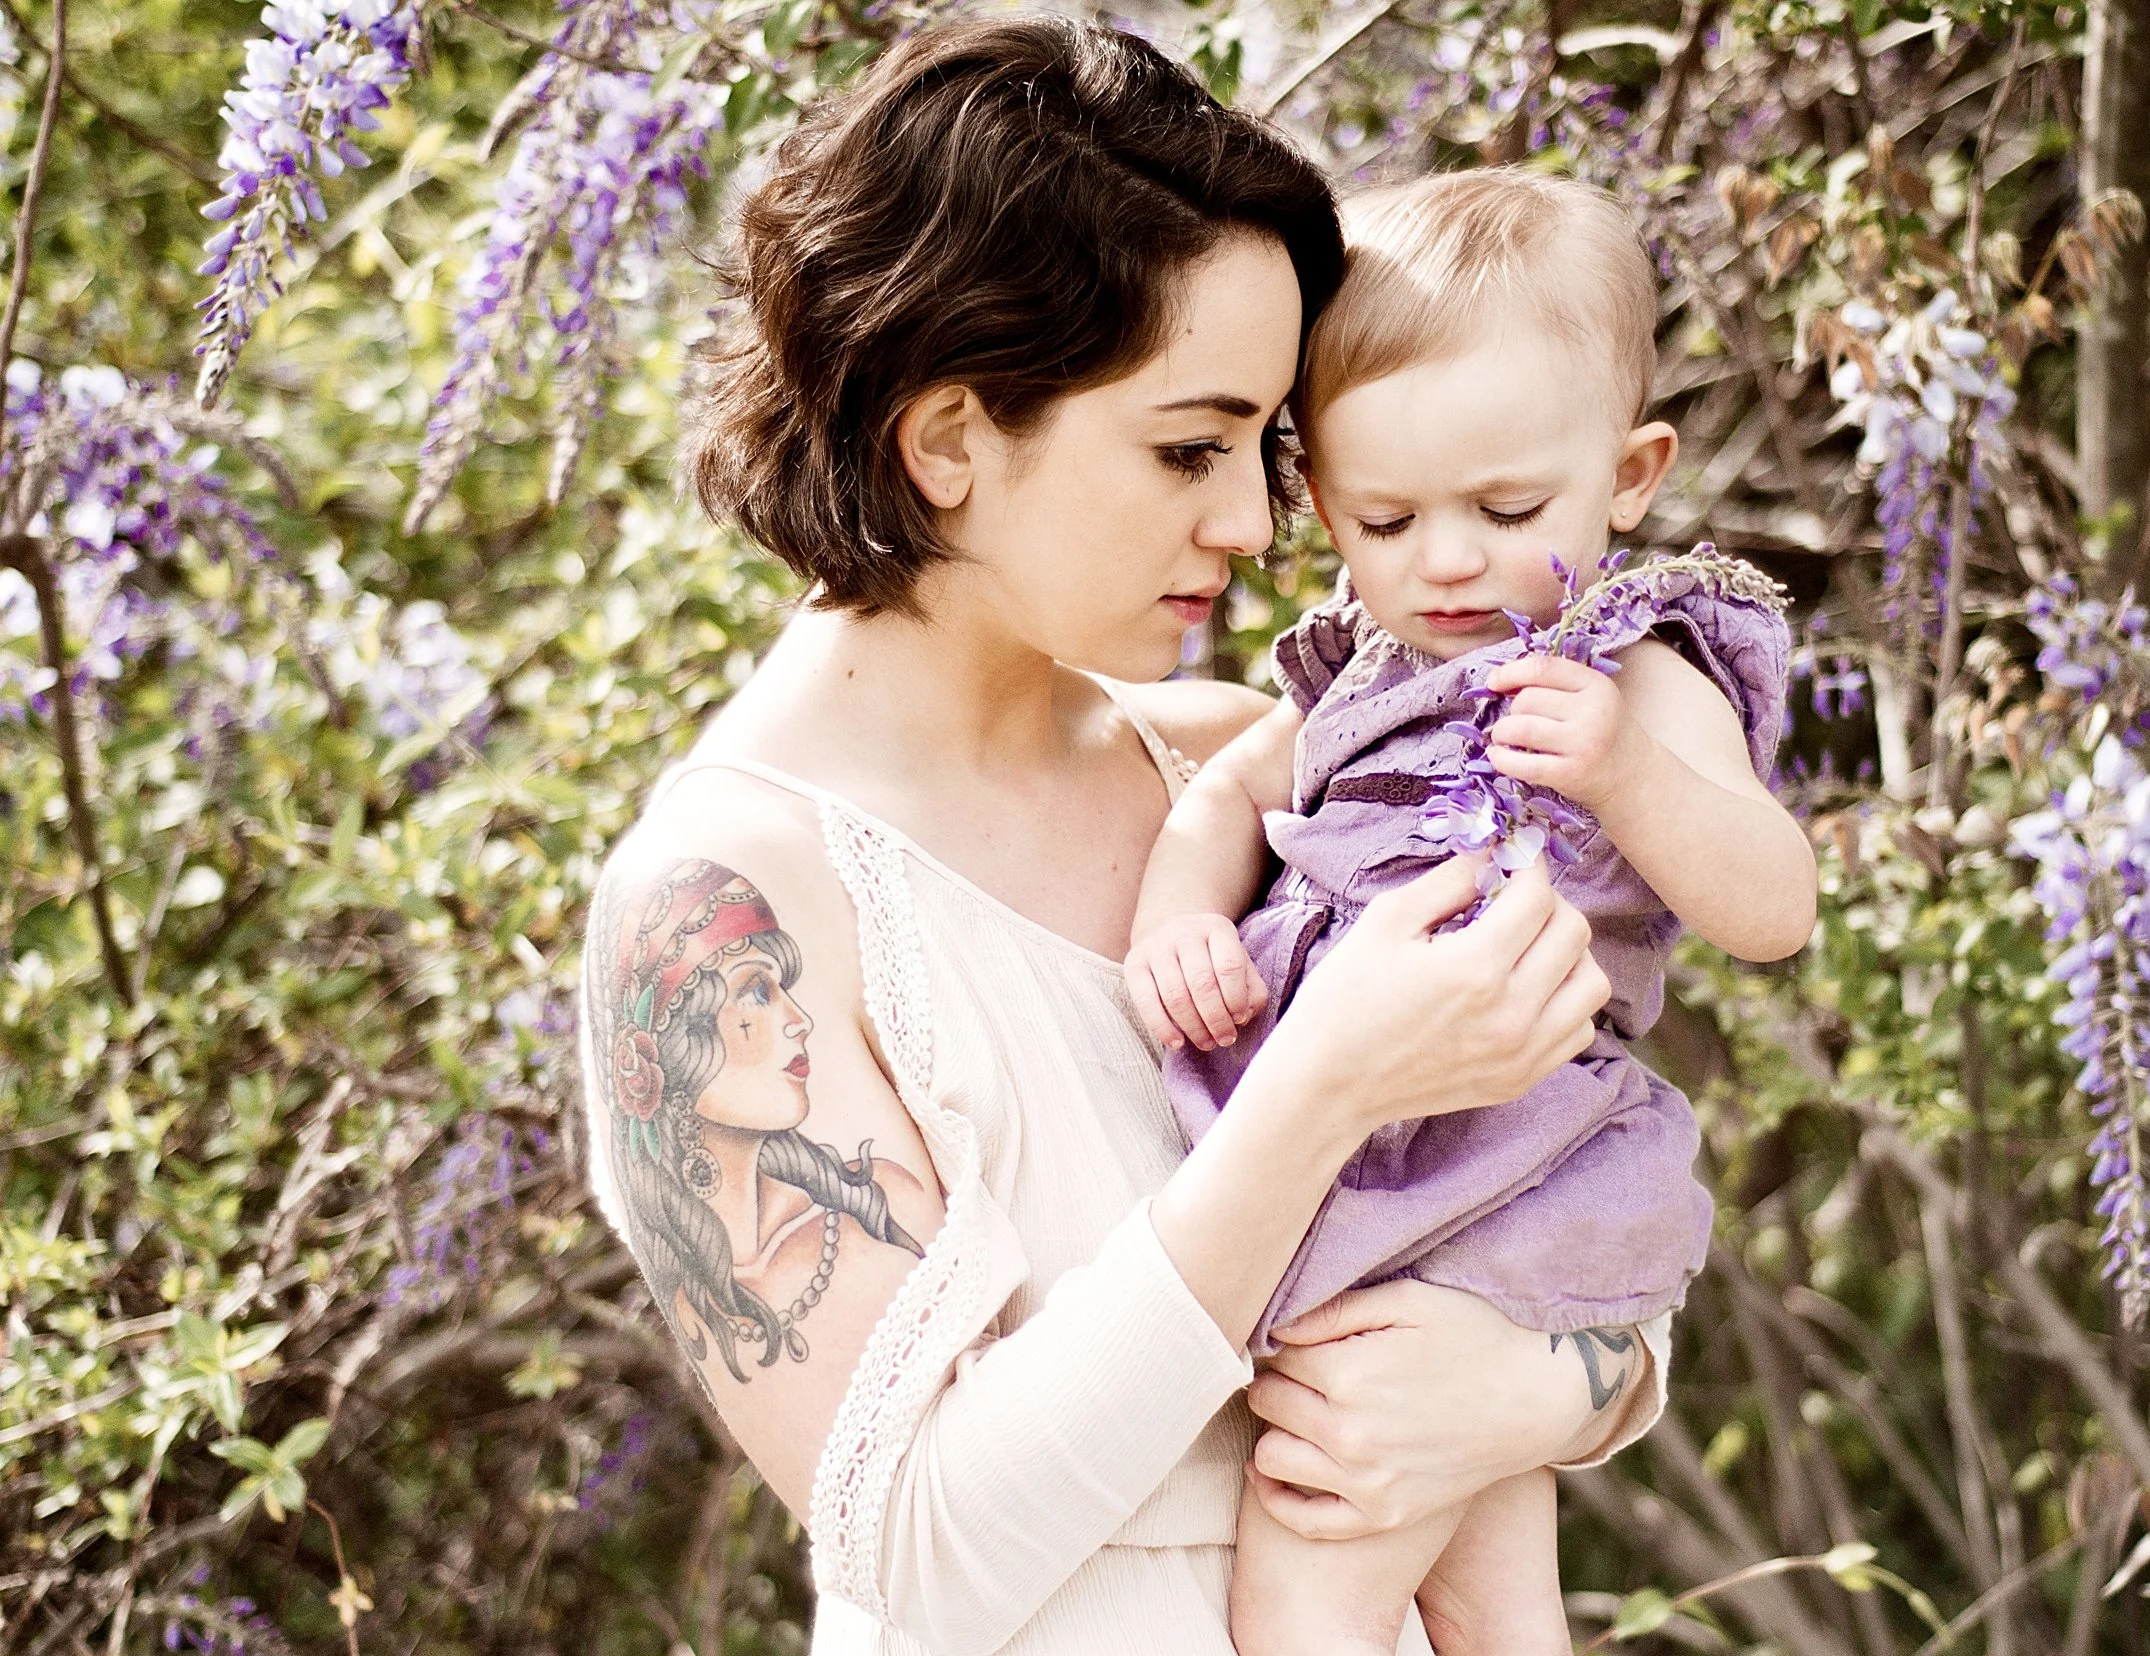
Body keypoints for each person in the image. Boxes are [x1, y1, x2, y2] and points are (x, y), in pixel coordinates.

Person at [576, 21, 1686, 1655]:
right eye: (1188, 446)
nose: (1250, 523)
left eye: (1266, 451)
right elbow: (922, 1551)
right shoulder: (725, 907)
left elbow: (1553, 1219)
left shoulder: (1240, 771)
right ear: (950, 438)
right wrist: (1315, 1099)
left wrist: (1546, 1388)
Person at [1123, 170, 1818, 1656]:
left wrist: (1630, 773)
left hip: (1508, 1170)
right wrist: (1176, 922)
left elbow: (1774, 902)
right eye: (1386, 517)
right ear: (1316, 498)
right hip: (1348, 1163)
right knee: (1498, 1604)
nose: (1446, 561)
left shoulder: (1634, 670)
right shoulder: (1355, 671)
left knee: (1308, 1573)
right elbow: (1227, 800)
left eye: (1509, 509)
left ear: (1628, 476)